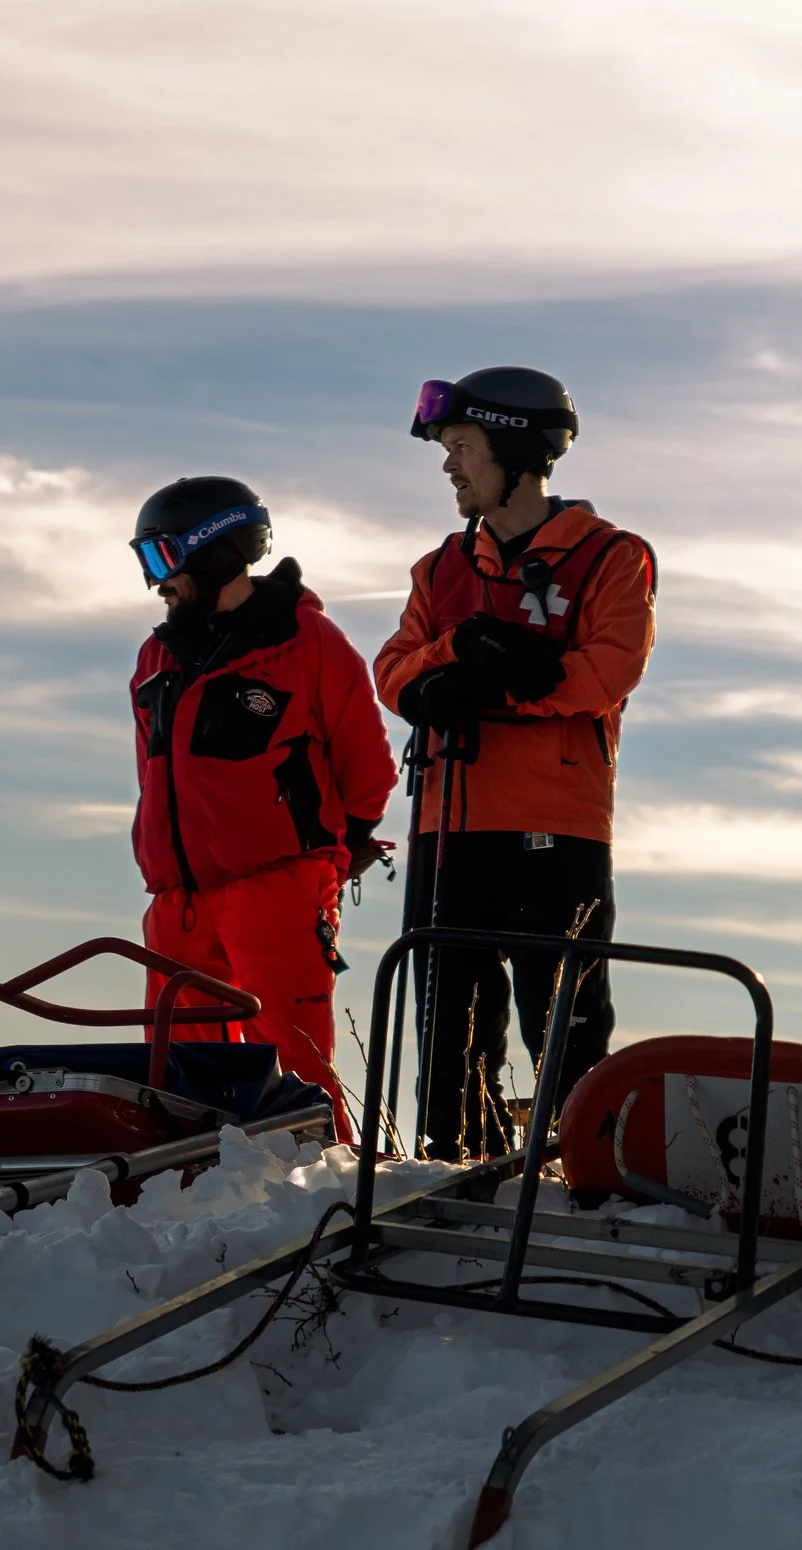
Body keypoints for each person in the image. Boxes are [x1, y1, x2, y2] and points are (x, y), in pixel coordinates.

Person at [374, 367, 656, 1160]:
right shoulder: (439, 569)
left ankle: (585, 1175)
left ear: (518, 450)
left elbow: (608, 670)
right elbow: (394, 671)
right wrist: (463, 651)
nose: (449, 465)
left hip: (554, 824)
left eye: (462, 446)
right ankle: (447, 1175)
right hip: (446, 821)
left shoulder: (611, 557)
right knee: (447, 1040)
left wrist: (477, 686)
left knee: (564, 1022)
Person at [128, 476, 398, 1141]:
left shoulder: (306, 640)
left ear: (213, 552)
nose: (155, 581)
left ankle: (319, 1188)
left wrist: (338, 849)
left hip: (277, 885)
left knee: (291, 1059)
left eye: (163, 560)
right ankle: (190, 1193)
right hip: (178, 898)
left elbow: (367, 764)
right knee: (179, 1069)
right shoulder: (157, 656)